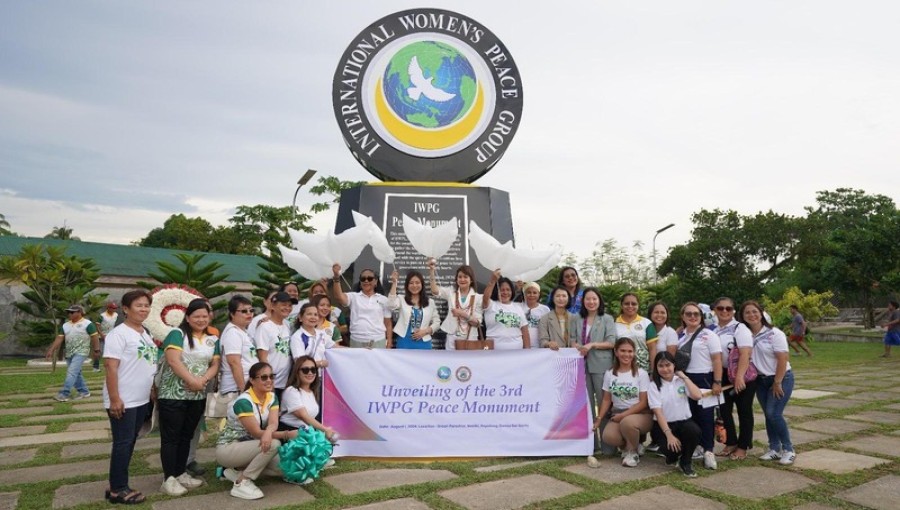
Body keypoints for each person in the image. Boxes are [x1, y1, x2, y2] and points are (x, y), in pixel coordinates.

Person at [156, 298, 220, 496]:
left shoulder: (212, 339)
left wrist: (202, 381)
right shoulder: (177, 334)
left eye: (205, 316)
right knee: (171, 438)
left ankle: (180, 472)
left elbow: (215, 365)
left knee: (187, 435)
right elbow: (173, 361)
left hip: (197, 396)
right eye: (197, 316)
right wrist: (192, 380)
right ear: (188, 317)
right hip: (172, 394)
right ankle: (168, 478)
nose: (201, 320)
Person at [103, 290, 156, 505]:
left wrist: (152, 389)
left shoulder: (145, 332)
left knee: (130, 441)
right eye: (138, 305)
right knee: (123, 443)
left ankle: (118, 483)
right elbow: (110, 367)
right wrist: (115, 399)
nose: (143, 309)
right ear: (125, 309)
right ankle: (118, 489)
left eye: (146, 305)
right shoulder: (119, 334)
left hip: (141, 398)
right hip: (124, 399)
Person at [216, 362, 293, 500]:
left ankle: (235, 471)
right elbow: (256, 433)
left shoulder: (272, 396)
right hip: (228, 448)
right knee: (274, 444)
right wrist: (287, 434)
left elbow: (274, 422)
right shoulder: (243, 402)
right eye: (264, 377)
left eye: (271, 376)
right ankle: (242, 482)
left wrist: (269, 431)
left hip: (249, 446)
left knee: (282, 468)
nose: (269, 380)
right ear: (252, 380)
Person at [667, 302, 723, 470]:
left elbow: (717, 359)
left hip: (704, 378)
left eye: (696, 314)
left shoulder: (709, 335)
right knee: (688, 415)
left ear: (701, 317)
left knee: (705, 416)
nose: (692, 317)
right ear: (683, 316)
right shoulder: (679, 335)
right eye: (689, 314)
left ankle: (708, 451)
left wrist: (717, 381)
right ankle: (695, 447)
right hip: (684, 378)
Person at [740, 300, 796, 465]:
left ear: (761, 313)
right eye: (747, 313)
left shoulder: (774, 333)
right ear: (743, 317)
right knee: (768, 415)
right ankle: (774, 448)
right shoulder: (745, 335)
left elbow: (783, 359)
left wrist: (777, 382)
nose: (752, 315)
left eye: (754, 311)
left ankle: (788, 449)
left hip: (780, 378)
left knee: (774, 414)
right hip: (760, 380)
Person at [569, 287, 617, 465]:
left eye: (594, 299)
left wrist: (592, 345)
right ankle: (590, 445)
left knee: (604, 405)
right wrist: (576, 346)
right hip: (581, 366)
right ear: (583, 301)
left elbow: (612, 342)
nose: (591, 302)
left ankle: (608, 445)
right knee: (586, 405)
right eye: (588, 299)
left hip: (601, 365)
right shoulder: (576, 318)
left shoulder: (607, 319)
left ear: (599, 301)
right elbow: (572, 339)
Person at [592, 337, 652, 468]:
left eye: (630, 351)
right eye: (623, 351)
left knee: (628, 423)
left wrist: (624, 416)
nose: (627, 354)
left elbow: (643, 403)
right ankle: (630, 446)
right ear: (616, 352)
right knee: (608, 437)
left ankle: (633, 453)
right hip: (618, 413)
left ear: (634, 353)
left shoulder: (641, 374)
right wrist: (599, 418)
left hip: (641, 414)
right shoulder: (609, 373)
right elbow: (607, 399)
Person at [711, 296, 756, 461]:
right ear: (715, 310)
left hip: (742, 375)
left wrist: (739, 377)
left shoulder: (740, 328)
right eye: (720, 308)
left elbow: (745, 353)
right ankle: (730, 442)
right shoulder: (713, 330)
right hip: (721, 374)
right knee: (725, 411)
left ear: (733, 311)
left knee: (744, 411)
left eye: (728, 308)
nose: (724, 311)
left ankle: (743, 446)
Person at [278, 355, 337, 476]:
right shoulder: (291, 391)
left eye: (313, 369)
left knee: (320, 442)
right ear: (297, 372)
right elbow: (303, 416)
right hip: (290, 432)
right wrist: (325, 429)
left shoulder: (311, 391)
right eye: (305, 370)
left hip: (305, 432)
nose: (310, 373)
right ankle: (294, 473)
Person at [647, 351, 703, 478]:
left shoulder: (681, 381)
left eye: (668, 365)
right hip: (663, 426)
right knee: (671, 453)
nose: (665, 369)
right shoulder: (654, 386)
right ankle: (673, 455)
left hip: (684, 423)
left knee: (694, 431)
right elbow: (658, 413)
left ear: (674, 365)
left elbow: (697, 395)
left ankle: (686, 461)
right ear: (656, 367)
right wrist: (669, 435)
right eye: (661, 366)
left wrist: (683, 376)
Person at [48, 304, 100, 402]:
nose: (69, 314)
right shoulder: (65, 325)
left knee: (72, 372)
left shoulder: (88, 324)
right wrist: (51, 350)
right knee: (76, 373)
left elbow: (95, 337)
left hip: (81, 352)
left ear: (80, 312)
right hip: (69, 353)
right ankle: (84, 391)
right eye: (68, 312)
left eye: (72, 312)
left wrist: (96, 350)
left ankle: (64, 393)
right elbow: (59, 338)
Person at [332, 264, 392, 348]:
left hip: (378, 341)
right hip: (357, 341)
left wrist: (389, 341)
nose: (366, 281)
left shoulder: (384, 300)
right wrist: (336, 277)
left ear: (375, 282)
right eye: (363, 279)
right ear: (360, 282)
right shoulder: (353, 297)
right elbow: (339, 296)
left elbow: (388, 323)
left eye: (369, 278)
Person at [429, 260, 483, 350]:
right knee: (451, 363)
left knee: (468, 364)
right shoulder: (451, 293)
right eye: (460, 277)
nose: (462, 279)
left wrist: (462, 314)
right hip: (452, 337)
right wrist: (431, 271)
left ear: (471, 280)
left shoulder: (478, 297)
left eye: (465, 277)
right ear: (456, 279)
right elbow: (435, 290)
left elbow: (477, 323)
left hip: (470, 338)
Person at [254, 292, 294, 400]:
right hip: (270, 384)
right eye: (283, 305)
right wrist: (269, 381)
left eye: (290, 305)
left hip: (285, 383)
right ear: (272, 306)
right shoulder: (264, 327)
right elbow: (262, 357)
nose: (287, 308)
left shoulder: (288, 325)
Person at [388, 270, 441, 350]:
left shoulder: (430, 302)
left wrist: (425, 331)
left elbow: (437, 322)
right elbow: (391, 305)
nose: (414, 285)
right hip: (404, 342)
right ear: (407, 285)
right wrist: (394, 282)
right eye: (411, 283)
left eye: (417, 282)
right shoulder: (401, 299)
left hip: (424, 342)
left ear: (422, 284)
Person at [220, 296, 258, 399]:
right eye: (244, 311)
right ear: (232, 314)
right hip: (235, 390)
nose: (249, 314)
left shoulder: (242, 332)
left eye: (251, 310)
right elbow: (234, 363)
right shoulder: (233, 333)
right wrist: (244, 391)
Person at [482, 270, 529, 350]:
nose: (505, 292)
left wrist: (527, 351)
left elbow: (525, 331)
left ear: (512, 291)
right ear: (497, 291)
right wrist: (492, 281)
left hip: (516, 353)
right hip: (493, 353)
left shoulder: (518, 308)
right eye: (502, 290)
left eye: (508, 290)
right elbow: (486, 297)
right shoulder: (491, 305)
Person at [614, 293, 658, 371]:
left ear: (638, 305)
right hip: (621, 370)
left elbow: (652, 349)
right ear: (621, 305)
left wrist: (653, 371)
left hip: (643, 370)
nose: (630, 306)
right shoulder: (613, 324)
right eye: (627, 304)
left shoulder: (647, 323)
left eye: (634, 304)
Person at [520, 282, 549, 349]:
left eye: (535, 293)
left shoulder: (545, 309)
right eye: (529, 292)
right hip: (521, 345)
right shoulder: (518, 307)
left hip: (539, 345)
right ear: (524, 294)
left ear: (539, 294)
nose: (531, 295)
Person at [94, 301, 119, 372]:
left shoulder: (116, 315)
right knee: (99, 351)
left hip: (111, 335)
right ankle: (96, 367)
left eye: (115, 308)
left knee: (112, 351)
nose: (114, 310)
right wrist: (102, 334)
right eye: (113, 308)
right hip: (101, 335)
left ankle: (110, 365)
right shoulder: (102, 316)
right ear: (108, 308)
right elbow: (97, 325)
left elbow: (113, 325)